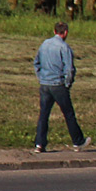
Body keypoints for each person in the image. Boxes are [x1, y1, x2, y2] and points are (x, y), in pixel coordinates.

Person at [33, 21, 91, 152]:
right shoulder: (64, 48)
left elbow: (36, 63)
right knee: (69, 114)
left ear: (54, 31)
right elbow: (69, 69)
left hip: (44, 84)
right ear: (65, 33)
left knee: (44, 114)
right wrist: (67, 84)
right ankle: (78, 141)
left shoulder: (44, 44)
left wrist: (41, 77)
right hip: (58, 85)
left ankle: (39, 144)